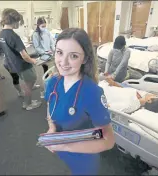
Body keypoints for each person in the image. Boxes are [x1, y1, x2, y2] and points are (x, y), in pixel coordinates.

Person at [43, 28, 115, 175]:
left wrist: (65, 146)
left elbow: (108, 140)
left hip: (84, 155)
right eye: (59, 52)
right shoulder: (52, 82)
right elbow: (50, 106)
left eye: (73, 56)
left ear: (85, 59)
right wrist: (52, 128)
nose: (63, 62)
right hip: (61, 149)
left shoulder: (92, 92)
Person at [0, 8, 42, 110]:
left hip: (12, 63)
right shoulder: (13, 36)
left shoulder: (2, 34)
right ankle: (27, 104)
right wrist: (34, 61)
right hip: (22, 64)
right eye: (18, 22)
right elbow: (24, 55)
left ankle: (28, 90)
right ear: (13, 21)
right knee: (30, 81)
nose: (18, 24)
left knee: (26, 80)